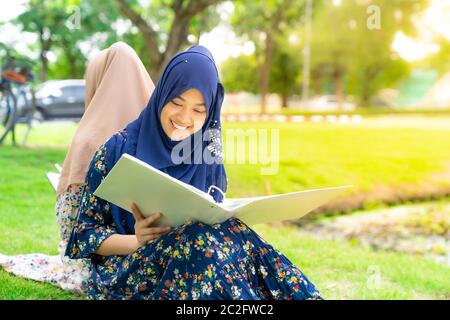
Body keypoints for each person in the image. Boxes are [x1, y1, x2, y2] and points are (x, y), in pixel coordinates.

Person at [65, 44, 323, 300]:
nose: (184, 117)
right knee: (198, 240)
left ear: (210, 111)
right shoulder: (116, 150)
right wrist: (137, 240)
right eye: (177, 102)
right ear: (162, 94)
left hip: (199, 260)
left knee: (246, 243)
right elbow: (84, 234)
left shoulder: (207, 154)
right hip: (129, 269)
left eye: (198, 110)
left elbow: (214, 215)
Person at [0, 42, 155, 292]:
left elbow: (71, 224)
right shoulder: (158, 136)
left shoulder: (90, 138)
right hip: (154, 254)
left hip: (97, 256)